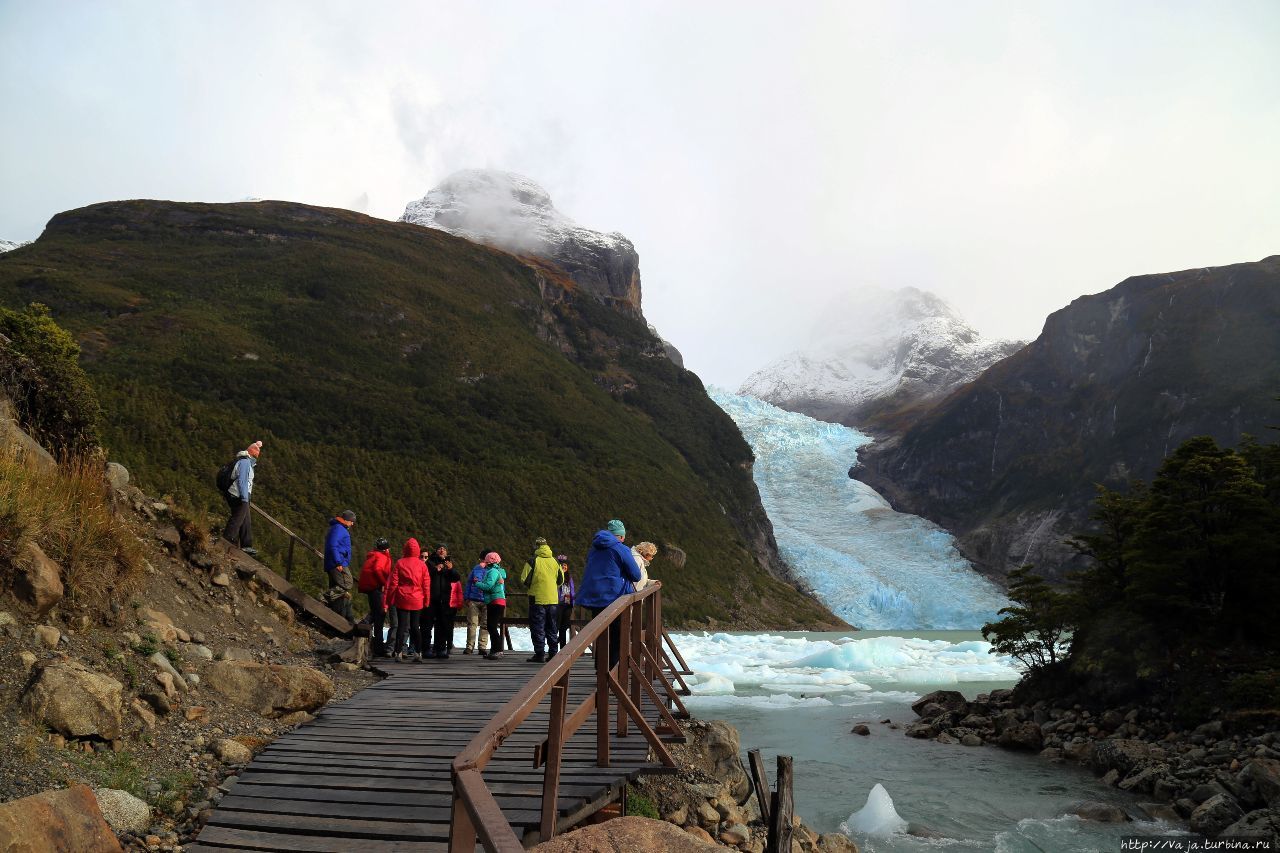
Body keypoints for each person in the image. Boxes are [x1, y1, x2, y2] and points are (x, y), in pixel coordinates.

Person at [579, 519, 641, 669]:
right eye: (623, 536)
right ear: (620, 536)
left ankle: (600, 669)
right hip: (614, 598)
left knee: (601, 635)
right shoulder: (621, 548)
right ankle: (612, 673)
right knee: (617, 636)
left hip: (595, 598)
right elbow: (636, 575)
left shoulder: (594, 548)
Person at [521, 538, 564, 663]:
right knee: (552, 627)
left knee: (538, 627)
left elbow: (524, 579)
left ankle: (539, 654)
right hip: (552, 599)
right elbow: (560, 580)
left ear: (536, 546)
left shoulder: (532, 561)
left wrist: (534, 585)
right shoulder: (555, 561)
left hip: (537, 598)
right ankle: (553, 653)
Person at [385, 538, 429, 661]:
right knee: (415, 627)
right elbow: (426, 584)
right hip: (417, 599)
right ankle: (418, 653)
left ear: (405, 549)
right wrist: (426, 600)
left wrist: (389, 599)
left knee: (401, 626)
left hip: (402, 597)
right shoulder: (422, 565)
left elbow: (393, 583)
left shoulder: (400, 563)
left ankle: (398, 652)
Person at [221, 441, 262, 556]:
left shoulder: (245, 462)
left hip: (240, 495)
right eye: (255, 455)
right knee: (237, 519)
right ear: (251, 454)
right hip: (238, 495)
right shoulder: (245, 463)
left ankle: (246, 545)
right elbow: (242, 482)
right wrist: (244, 498)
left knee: (245, 519)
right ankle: (225, 542)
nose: (256, 457)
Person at [424, 544, 461, 659]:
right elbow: (425, 575)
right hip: (431, 598)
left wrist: (451, 569)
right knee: (427, 625)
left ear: (446, 552)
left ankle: (440, 649)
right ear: (436, 551)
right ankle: (426, 649)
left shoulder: (448, 563)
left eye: (444, 549)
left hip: (444, 599)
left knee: (442, 625)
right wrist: (435, 569)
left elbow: (456, 578)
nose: (442, 550)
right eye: (440, 548)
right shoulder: (430, 562)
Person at [358, 537, 393, 657]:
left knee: (375, 613)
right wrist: (384, 583)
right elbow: (378, 569)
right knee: (380, 615)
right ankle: (378, 647)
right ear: (387, 549)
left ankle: (364, 626)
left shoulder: (373, 555)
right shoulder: (381, 557)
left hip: (370, 588)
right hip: (376, 588)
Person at [323, 510, 357, 621]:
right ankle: (324, 597)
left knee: (337, 588)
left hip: (336, 561)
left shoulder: (338, 528)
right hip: (337, 563)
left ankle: (332, 617)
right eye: (352, 521)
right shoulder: (339, 529)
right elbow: (333, 545)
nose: (352, 524)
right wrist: (338, 562)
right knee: (347, 583)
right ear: (347, 520)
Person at [474, 552, 508, 660]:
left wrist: (477, 583)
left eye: (485, 560)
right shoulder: (495, 571)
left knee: (492, 626)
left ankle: (498, 650)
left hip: (496, 601)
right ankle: (495, 650)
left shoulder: (493, 571)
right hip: (494, 601)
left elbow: (488, 586)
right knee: (491, 626)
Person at [462, 548, 495, 655]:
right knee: (474, 624)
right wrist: (467, 597)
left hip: (484, 600)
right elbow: (469, 583)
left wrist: (467, 597)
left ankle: (478, 647)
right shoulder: (477, 569)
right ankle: (473, 647)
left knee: (481, 624)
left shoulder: (492, 570)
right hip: (476, 600)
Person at [555, 554, 576, 649]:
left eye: (565, 566)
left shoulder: (569, 578)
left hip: (568, 604)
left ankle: (561, 645)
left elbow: (572, 590)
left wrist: (573, 602)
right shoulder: (556, 577)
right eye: (562, 566)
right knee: (558, 626)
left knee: (564, 626)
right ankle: (557, 647)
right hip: (559, 604)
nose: (564, 567)